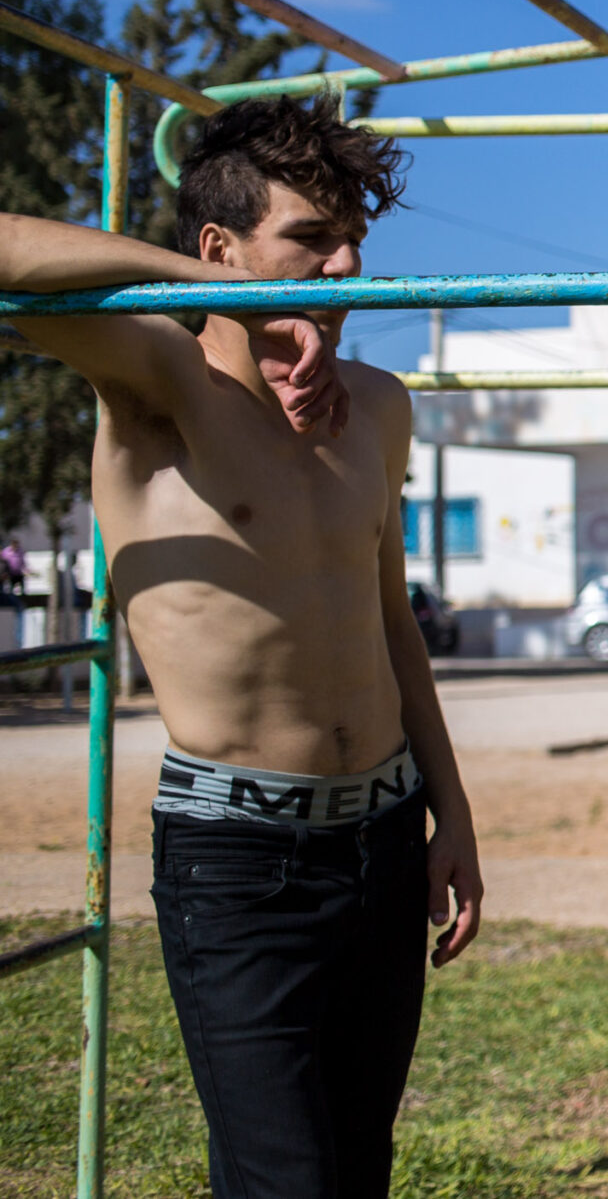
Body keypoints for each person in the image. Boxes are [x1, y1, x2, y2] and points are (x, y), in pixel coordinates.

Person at [0, 98, 483, 1199]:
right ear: (220, 250)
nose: (346, 265)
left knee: (354, 1171)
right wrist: (215, 295)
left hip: (383, 838)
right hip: (240, 859)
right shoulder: (159, 382)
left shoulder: (378, 407)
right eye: (311, 239)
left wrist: (450, 813)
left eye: (353, 238)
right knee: (286, 1182)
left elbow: (390, 623)